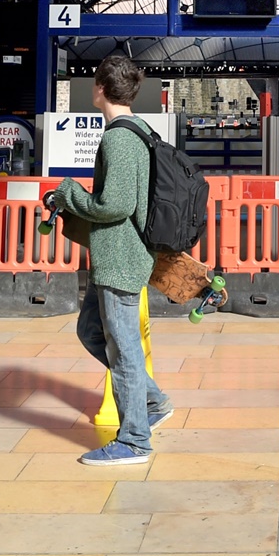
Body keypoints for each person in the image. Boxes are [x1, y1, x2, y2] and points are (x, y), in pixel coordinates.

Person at [50, 54, 172, 466]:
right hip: (117, 256)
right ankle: (151, 400)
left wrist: (69, 193)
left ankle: (135, 438)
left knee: (123, 350)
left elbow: (113, 205)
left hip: (120, 257)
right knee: (91, 331)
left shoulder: (118, 139)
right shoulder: (139, 130)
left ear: (99, 89)